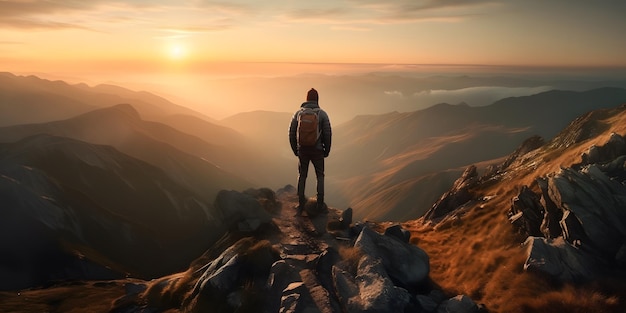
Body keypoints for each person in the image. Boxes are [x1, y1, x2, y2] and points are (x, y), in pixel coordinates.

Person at [288, 88, 332, 215]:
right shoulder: (322, 114)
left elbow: (291, 133)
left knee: (302, 176)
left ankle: (300, 204)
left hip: (303, 150)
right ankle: (320, 204)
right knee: (320, 176)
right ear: (317, 99)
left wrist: (295, 149)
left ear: (306, 99)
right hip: (317, 151)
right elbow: (328, 134)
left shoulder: (298, 114)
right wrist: (326, 150)